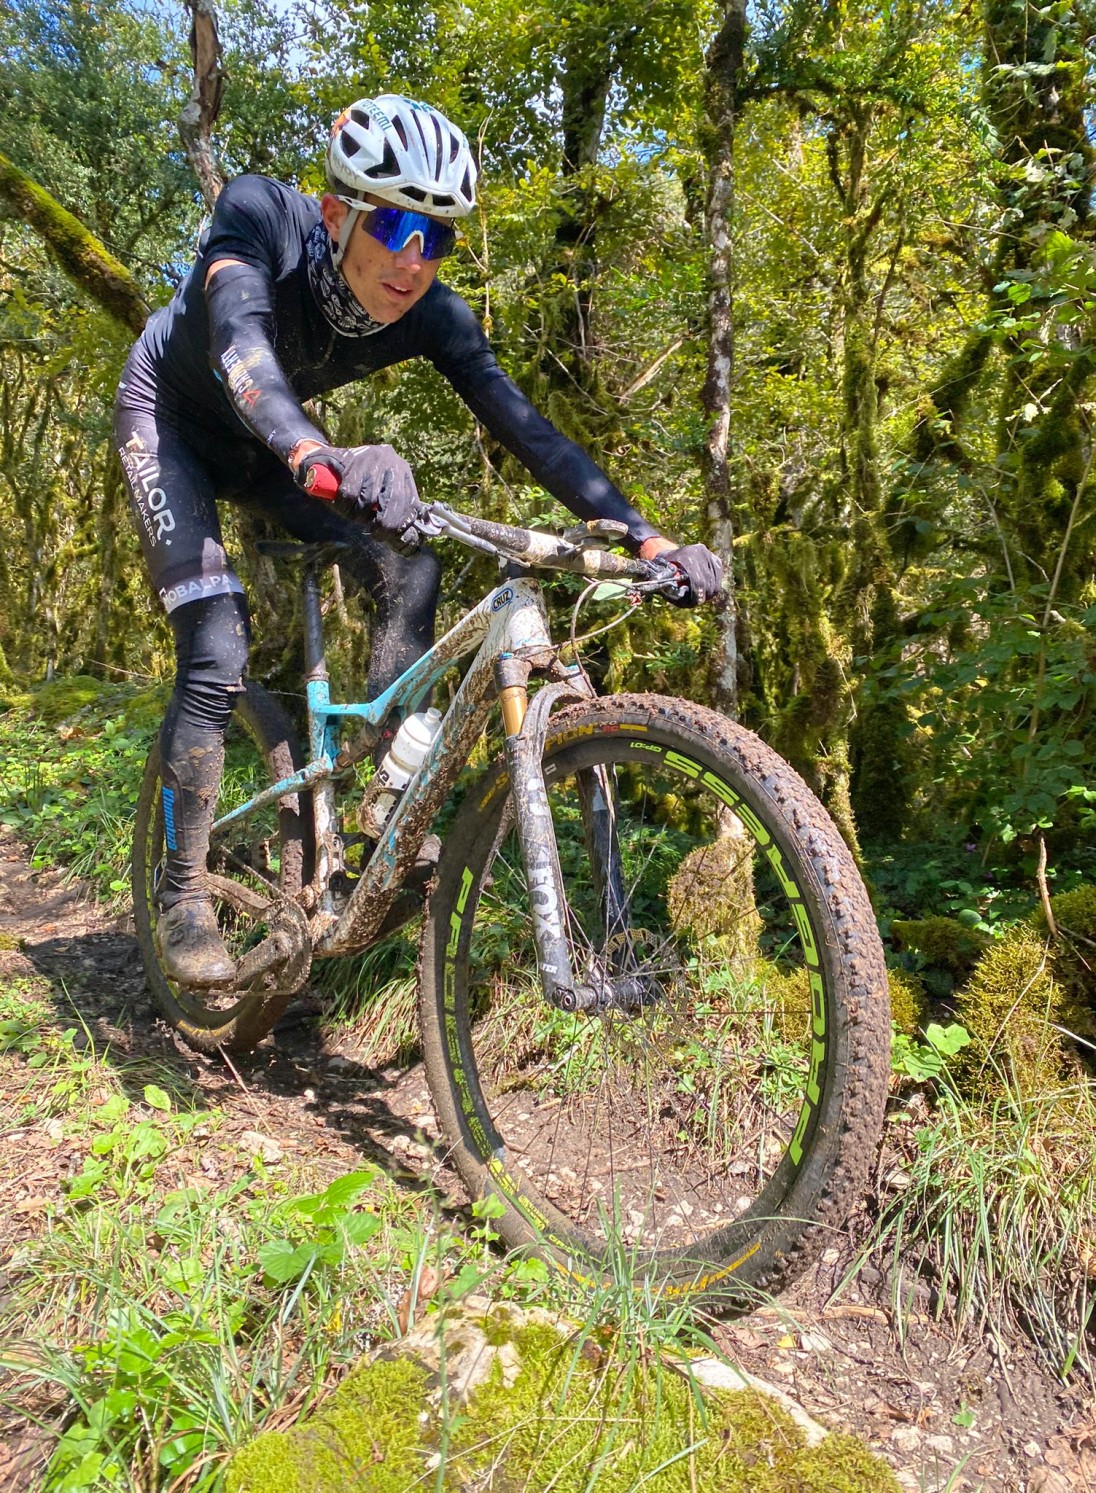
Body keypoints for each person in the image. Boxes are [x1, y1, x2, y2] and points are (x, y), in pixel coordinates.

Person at [114, 95, 723, 988]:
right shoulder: (257, 218)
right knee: (215, 648)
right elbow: (240, 343)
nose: (412, 260)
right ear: (335, 213)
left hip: (279, 448)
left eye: (434, 237)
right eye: (394, 223)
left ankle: (381, 805)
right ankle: (180, 895)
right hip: (173, 424)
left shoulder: (433, 315)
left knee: (412, 560)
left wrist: (644, 534)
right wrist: (315, 449)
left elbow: (530, 429)